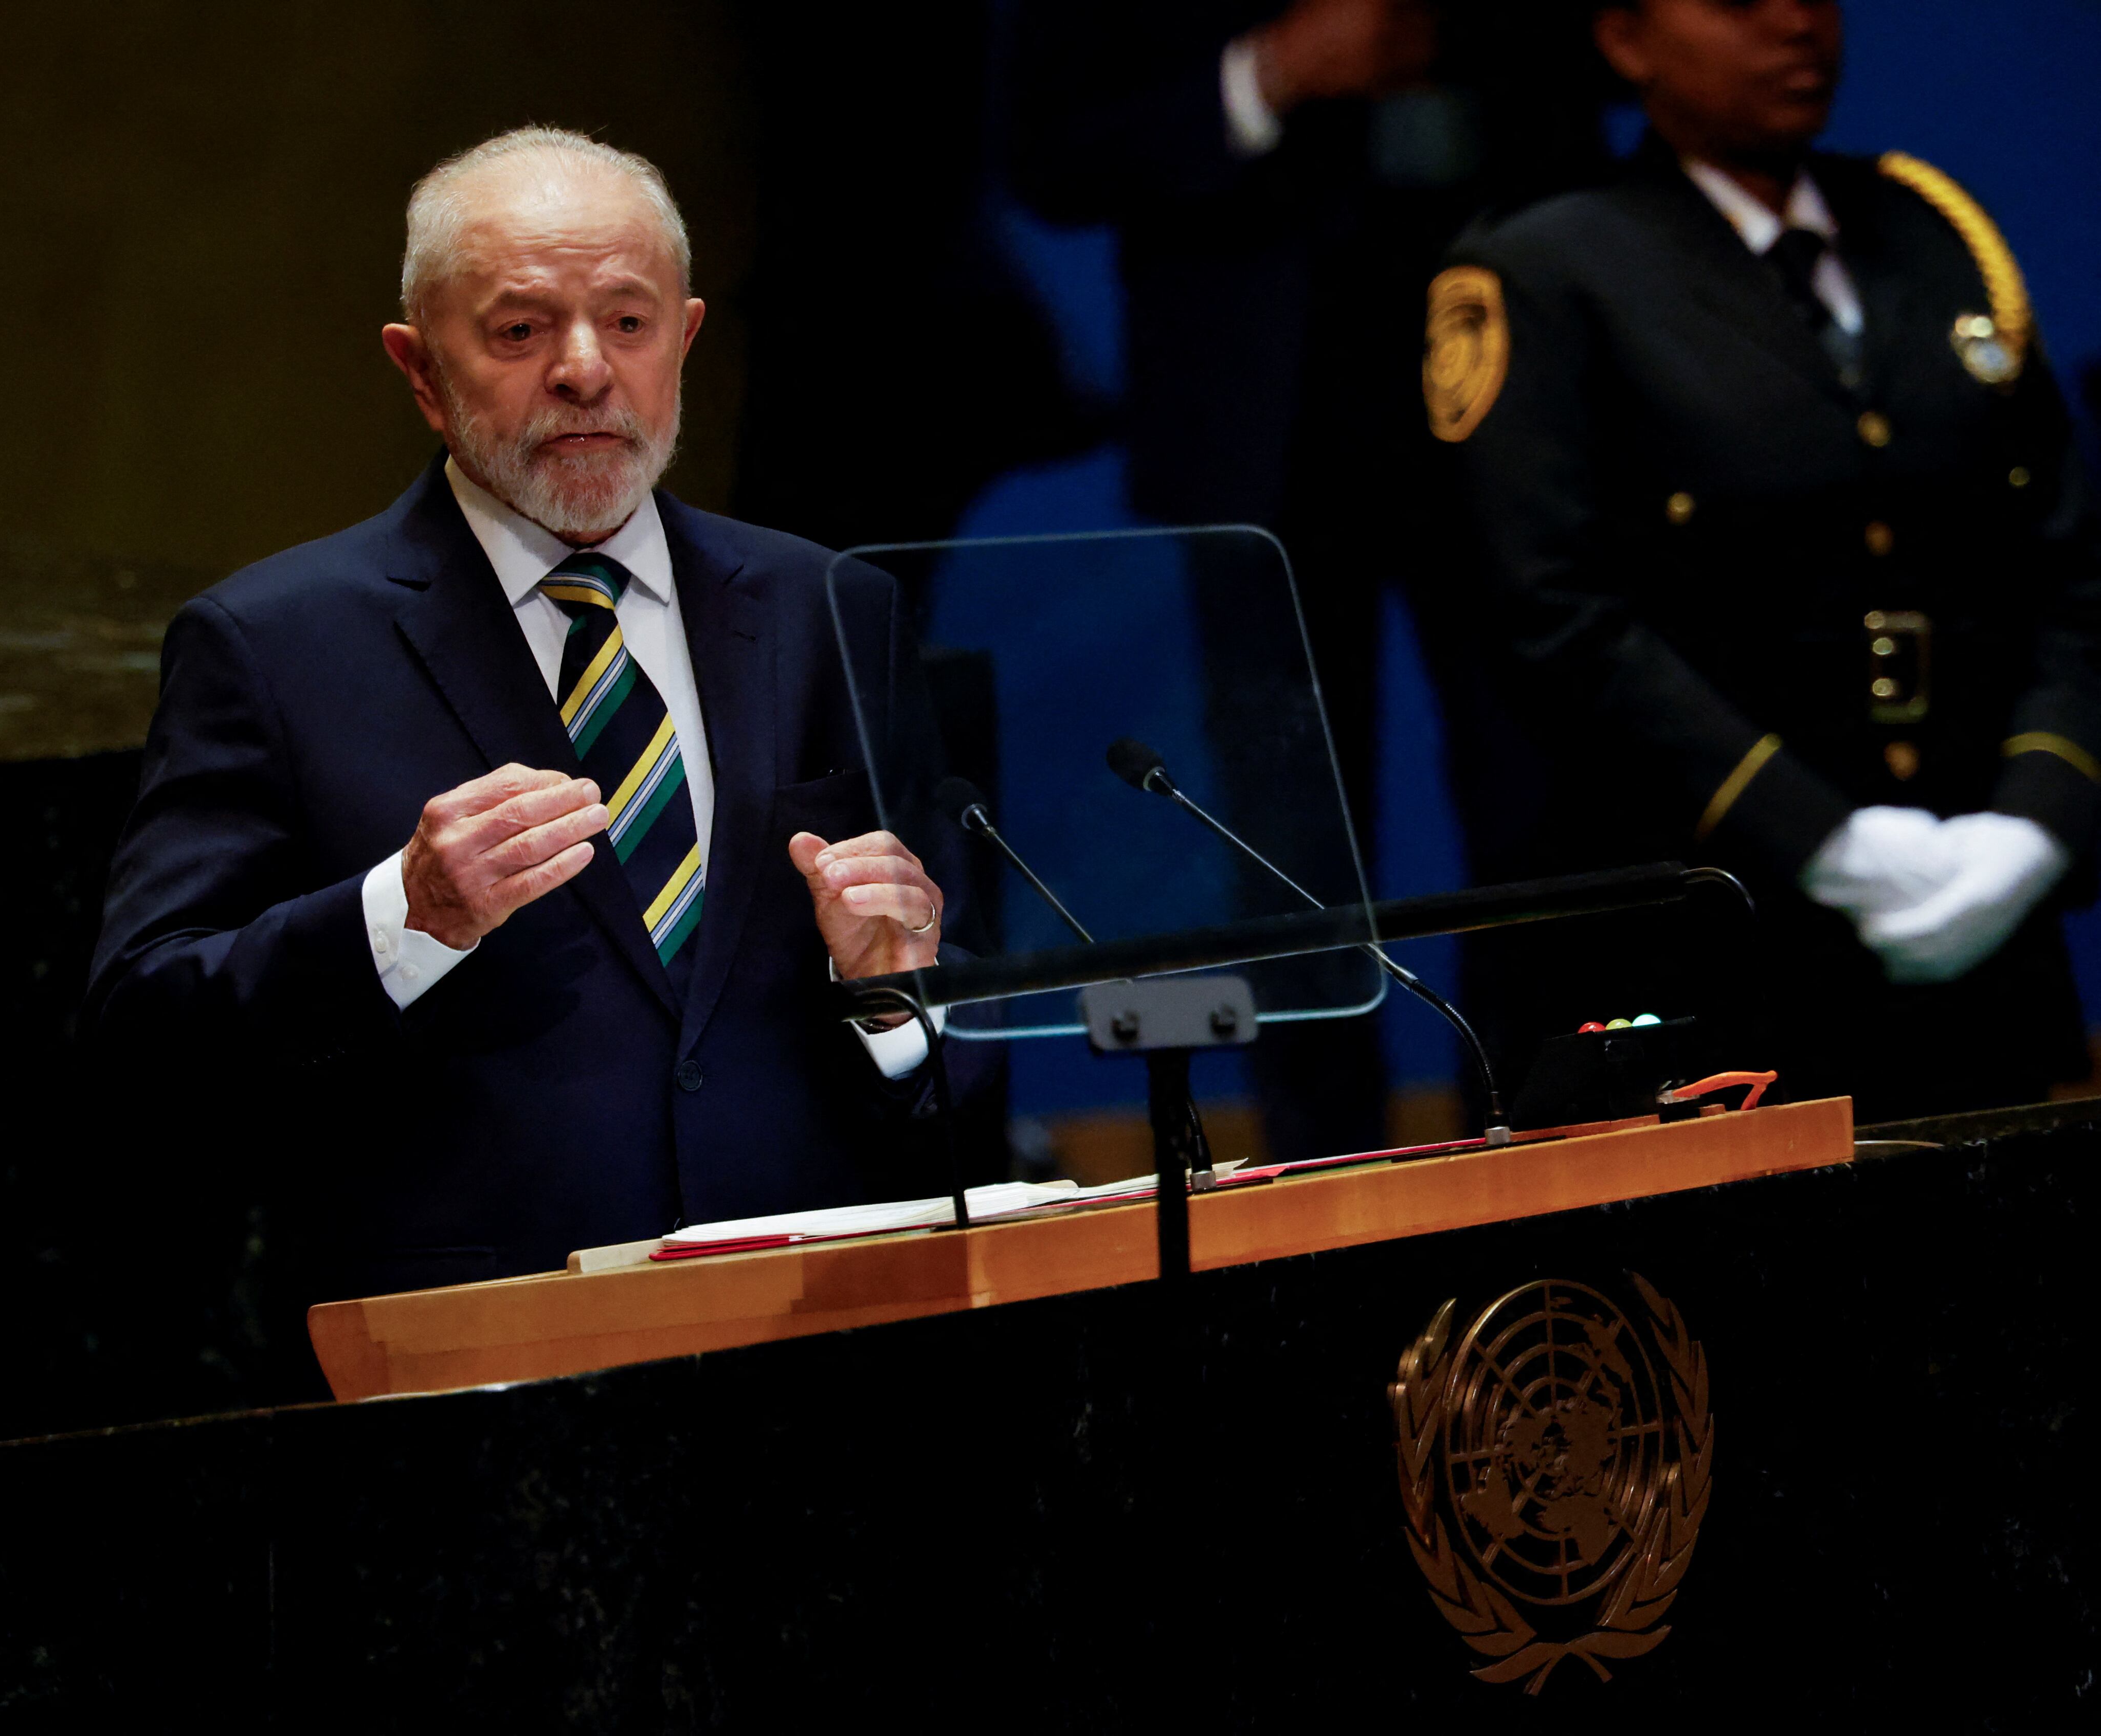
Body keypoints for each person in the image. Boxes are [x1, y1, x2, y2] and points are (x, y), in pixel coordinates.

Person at [86, 129, 970, 1334]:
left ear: (688, 339)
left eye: (627, 321)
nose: (584, 371)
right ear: (417, 369)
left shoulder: (830, 607)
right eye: (518, 331)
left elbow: (965, 1036)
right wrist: (404, 914)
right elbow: (147, 1025)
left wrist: (887, 1003)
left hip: (810, 1333)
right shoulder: (273, 643)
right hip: (476, 1357)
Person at [1432, 0, 2101, 1116]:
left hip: (1985, 932)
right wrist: (1827, 841)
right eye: (1738, 0)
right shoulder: (1547, 269)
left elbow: (2069, 567)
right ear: (1624, 38)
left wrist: (2034, 820)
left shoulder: (1933, 235)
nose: (1794, 23)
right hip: (1722, 952)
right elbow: (1551, 618)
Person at [1008, 0, 1613, 1154]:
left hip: (1512, 371)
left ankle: (1552, 1155)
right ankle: (1326, 1180)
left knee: (1543, 799)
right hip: (1259, 411)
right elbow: (1049, 151)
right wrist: (1266, 75)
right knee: (1284, 836)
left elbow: (1607, 60)